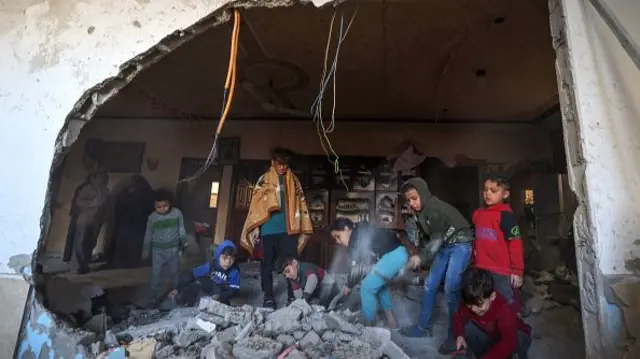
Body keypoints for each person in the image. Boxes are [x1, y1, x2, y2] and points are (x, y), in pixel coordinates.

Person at [399, 177, 474, 356]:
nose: (411, 203)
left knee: (451, 288)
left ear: (423, 194)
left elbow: (435, 242)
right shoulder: (421, 212)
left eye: (414, 198)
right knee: (430, 284)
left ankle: (456, 336)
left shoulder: (434, 209)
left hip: (460, 243)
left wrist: (420, 258)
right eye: (408, 200)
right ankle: (423, 327)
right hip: (445, 244)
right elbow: (429, 238)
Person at [240, 147, 313, 309]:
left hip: (289, 230)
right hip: (268, 230)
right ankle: (268, 296)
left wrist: (301, 226)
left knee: (291, 264)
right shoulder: (264, 180)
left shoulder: (294, 180)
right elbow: (257, 204)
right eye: (279, 164)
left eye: (285, 164)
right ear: (272, 162)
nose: (282, 167)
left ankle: (292, 296)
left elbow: (300, 203)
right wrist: (257, 226)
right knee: (267, 265)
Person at [329, 218, 408, 328]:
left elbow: (357, 268)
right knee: (379, 287)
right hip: (399, 253)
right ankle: (393, 324)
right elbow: (365, 264)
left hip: (393, 256)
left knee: (366, 288)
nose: (338, 241)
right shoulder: (359, 232)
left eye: (338, 236)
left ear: (346, 229)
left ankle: (369, 329)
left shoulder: (355, 238)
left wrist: (348, 285)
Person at [453, 268, 531, 359]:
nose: (474, 309)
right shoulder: (472, 300)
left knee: (517, 342)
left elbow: (509, 343)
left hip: (515, 337)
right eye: (470, 306)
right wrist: (459, 335)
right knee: (469, 329)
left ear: (492, 296)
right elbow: (459, 318)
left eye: (479, 305)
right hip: (494, 334)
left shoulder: (503, 310)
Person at [472, 174, 524, 310]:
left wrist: (517, 271)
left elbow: (515, 245)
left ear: (505, 194)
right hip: (481, 267)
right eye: (485, 189)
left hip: (501, 271)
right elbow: (475, 240)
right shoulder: (478, 214)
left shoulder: (506, 216)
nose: (488, 193)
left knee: (506, 303)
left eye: (493, 191)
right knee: (485, 303)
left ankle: (514, 326)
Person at [143, 189, 188, 308]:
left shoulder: (177, 213)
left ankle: (176, 294)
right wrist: (146, 250)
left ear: (170, 203)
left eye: (165, 205)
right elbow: (148, 234)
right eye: (159, 207)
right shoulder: (152, 218)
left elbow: (181, 229)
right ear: (154, 205)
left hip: (173, 249)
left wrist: (185, 243)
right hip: (157, 251)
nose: (163, 209)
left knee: (175, 273)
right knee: (155, 275)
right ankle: (153, 298)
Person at [171, 240, 240, 306]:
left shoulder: (234, 271)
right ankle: (186, 303)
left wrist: (221, 296)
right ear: (218, 256)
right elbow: (192, 273)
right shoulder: (212, 265)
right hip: (212, 285)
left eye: (231, 259)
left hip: (223, 291)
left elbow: (233, 290)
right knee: (190, 278)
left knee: (222, 298)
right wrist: (177, 289)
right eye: (224, 258)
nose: (228, 262)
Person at [69, 170, 111, 274]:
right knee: (80, 242)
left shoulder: (105, 191)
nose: (102, 180)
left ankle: (85, 263)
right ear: (94, 178)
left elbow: (107, 204)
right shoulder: (87, 189)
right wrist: (92, 203)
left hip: (96, 220)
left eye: (104, 178)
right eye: (100, 178)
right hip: (84, 218)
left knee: (90, 242)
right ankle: (79, 265)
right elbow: (79, 202)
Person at [111, 175, 154, 269]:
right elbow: (119, 207)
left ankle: (131, 264)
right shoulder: (125, 192)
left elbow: (148, 208)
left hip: (137, 225)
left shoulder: (145, 192)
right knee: (124, 245)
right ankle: (123, 264)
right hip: (127, 224)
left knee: (133, 246)